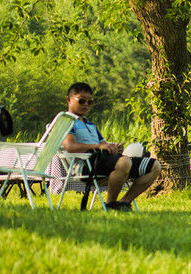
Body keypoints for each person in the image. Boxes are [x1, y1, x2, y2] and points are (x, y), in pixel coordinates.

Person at [62, 82, 161, 211]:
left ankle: (123, 202)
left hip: (102, 162)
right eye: (81, 101)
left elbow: (103, 145)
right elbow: (70, 146)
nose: (86, 105)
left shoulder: (90, 125)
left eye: (89, 102)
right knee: (124, 162)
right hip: (84, 166)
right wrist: (98, 146)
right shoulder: (65, 121)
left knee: (154, 166)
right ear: (69, 100)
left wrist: (112, 147)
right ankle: (110, 205)